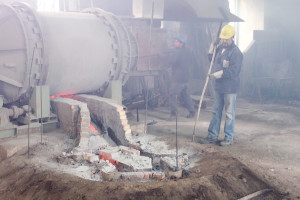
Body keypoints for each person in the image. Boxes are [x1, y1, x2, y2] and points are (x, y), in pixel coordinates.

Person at [199, 25, 243, 146]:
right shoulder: (219, 49)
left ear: (233, 38)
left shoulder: (236, 53)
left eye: (227, 39)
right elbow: (211, 58)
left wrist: (216, 75)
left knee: (229, 113)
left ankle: (228, 138)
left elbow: (233, 71)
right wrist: (212, 45)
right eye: (223, 39)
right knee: (216, 111)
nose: (224, 41)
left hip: (230, 88)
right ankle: (212, 136)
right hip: (219, 87)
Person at [168, 35, 195, 120]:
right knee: (185, 95)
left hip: (178, 78)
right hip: (186, 77)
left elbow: (171, 60)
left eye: (176, 41)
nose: (175, 42)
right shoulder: (188, 51)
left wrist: (163, 57)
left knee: (172, 94)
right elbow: (191, 62)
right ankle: (192, 111)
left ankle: (174, 114)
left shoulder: (178, 52)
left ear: (181, 44)